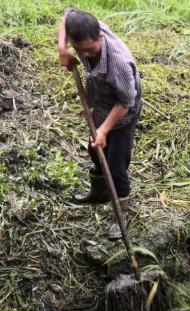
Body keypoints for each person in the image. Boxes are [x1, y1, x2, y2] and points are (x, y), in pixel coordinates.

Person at [57, 8, 142, 239]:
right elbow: (67, 14)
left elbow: (126, 102)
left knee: (116, 165)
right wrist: (62, 48)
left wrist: (104, 130)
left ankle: (120, 214)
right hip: (101, 100)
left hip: (123, 110)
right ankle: (100, 193)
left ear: (100, 36)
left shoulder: (119, 64)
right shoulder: (83, 29)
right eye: (81, 50)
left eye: (91, 49)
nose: (87, 54)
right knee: (95, 150)